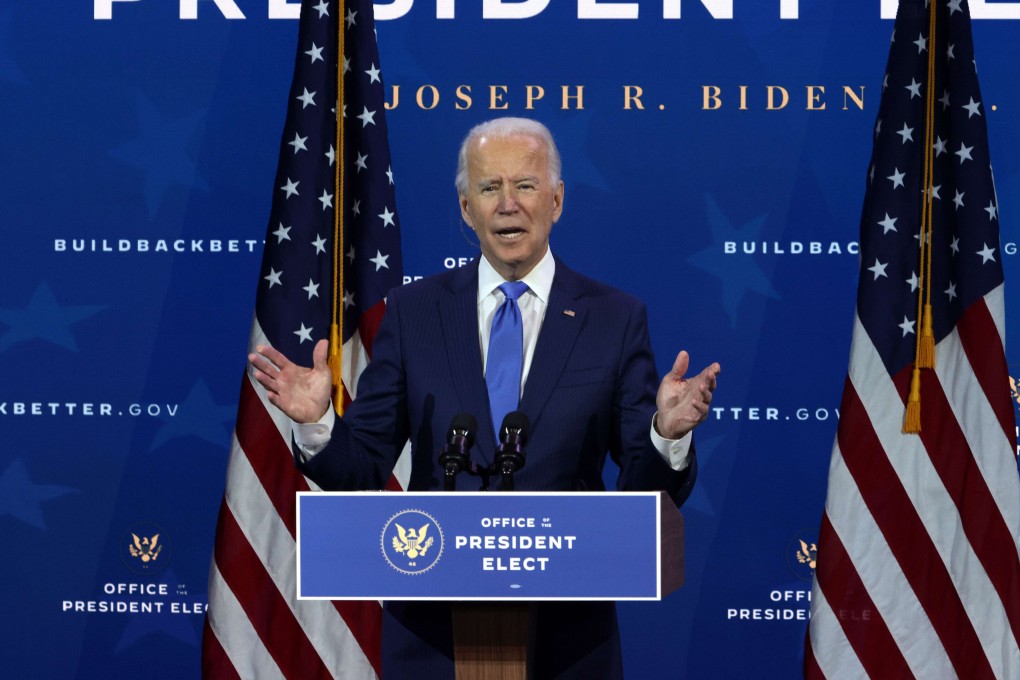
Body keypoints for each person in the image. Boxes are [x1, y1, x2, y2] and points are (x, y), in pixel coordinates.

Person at [249, 117, 721, 679]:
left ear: (557, 200)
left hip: (569, 641)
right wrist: (321, 422)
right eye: (489, 188)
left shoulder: (614, 319)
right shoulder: (413, 313)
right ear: (466, 208)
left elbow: (643, 491)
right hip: (433, 638)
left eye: (524, 185)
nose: (508, 205)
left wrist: (666, 436)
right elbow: (363, 467)